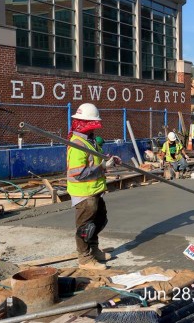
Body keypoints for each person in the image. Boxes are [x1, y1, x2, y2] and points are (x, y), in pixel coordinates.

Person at [66, 103, 120, 270]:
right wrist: (103, 167)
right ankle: (84, 258)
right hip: (84, 193)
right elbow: (77, 173)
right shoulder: (77, 144)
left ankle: (94, 249)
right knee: (85, 227)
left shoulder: (89, 140)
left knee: (99, 220)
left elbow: (95, 159)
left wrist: (109, 160)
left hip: (95, 190)